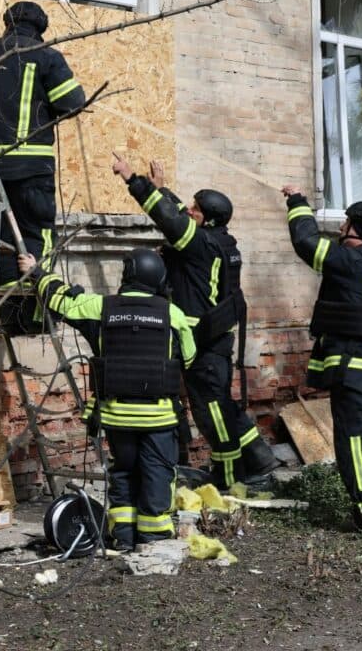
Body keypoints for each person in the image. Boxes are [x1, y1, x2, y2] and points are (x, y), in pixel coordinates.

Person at [112, 154, 279, 490]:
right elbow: (182, 219)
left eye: (196, 209)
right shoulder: (223, 242)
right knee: (220, 403)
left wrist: (134, 181)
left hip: (203, 344)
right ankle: (260, 458)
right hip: (214, 340)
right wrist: (165, 189)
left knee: (211, 411)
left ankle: (230, 477)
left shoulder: (202, 244)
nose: (190, 210)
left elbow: (171, 222)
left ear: (210, 221)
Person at [17, 249, 196, 551]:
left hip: (116, 416)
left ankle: (124, 538)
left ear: (126, 275)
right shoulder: (173, 314)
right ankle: (153, 539)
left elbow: (60, 299)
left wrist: (36, 272)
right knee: (157, 473)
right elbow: (188, 358)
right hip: (159, 418)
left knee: (123, 473)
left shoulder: (100, 307)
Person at [281, 185, 362, 530]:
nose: (341, 229)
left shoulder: (354, 261)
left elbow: (306, 244)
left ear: (360, 227)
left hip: (355, 368)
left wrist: (297, 202)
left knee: (356, 440)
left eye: (346, 223)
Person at [0, 0, 85, 293]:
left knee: (3, 237)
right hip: (32, 171)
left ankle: (8, 311)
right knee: (36, 236)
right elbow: (74, 103)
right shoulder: (45, 57)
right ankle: (31, 313)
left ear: (7, 24)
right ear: (40, 29)